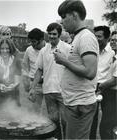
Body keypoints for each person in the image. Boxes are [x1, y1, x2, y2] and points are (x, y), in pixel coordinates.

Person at [55, 0, 99, 139]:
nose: (61, 22)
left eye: (63, 16)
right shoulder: (78, 37)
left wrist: (64, 61)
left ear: (74, 15)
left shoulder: (86, 37)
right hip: (74, 104)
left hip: (81, 105)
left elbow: (90, 72)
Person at [29, 23, 71, 139]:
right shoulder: (44, 50)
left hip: (63, 91)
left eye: (54, 34)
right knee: (53, 121)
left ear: (59, 34)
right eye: (50, 34)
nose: (52, 36)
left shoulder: (67, 49)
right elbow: (39, 70)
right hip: (48, 91)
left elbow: (72, 67)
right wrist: (32, 88)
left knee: (65, 121)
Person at [90, 26, 115, 139]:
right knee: (91, 120)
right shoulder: (91, 51)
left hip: (108, 90)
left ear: (107, 38)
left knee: (107, 122)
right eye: (95, 36)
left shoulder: (113, 52)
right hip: (92, 88)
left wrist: (102, 86)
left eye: (99, 36)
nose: (96, 39)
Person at [0, 38, 21, 114]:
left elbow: (17, 81)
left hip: (13, 96)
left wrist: (13, 86)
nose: (5, 51)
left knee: (14, 120)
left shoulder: (16, 61)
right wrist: (0, 85)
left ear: (11, 49)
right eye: (2, 49)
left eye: (7, 48)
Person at [98, 31, 117, 139]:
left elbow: (115, 80)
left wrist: (100, 87)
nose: (113, 42)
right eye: (112, 40)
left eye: (116, 40)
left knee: (106, 126)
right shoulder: (114, 55)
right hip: (110, 93)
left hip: (114, 94)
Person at [22, 28, 45, 113]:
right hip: (35, 85)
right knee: (34, 111)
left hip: (48, 83)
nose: (32, 44)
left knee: (52, 111)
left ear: (42, 40)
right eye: (31, 41)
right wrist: (25, 77)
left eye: (34, 42)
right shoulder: (29, 50)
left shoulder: (49, 49)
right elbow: (24, 65)